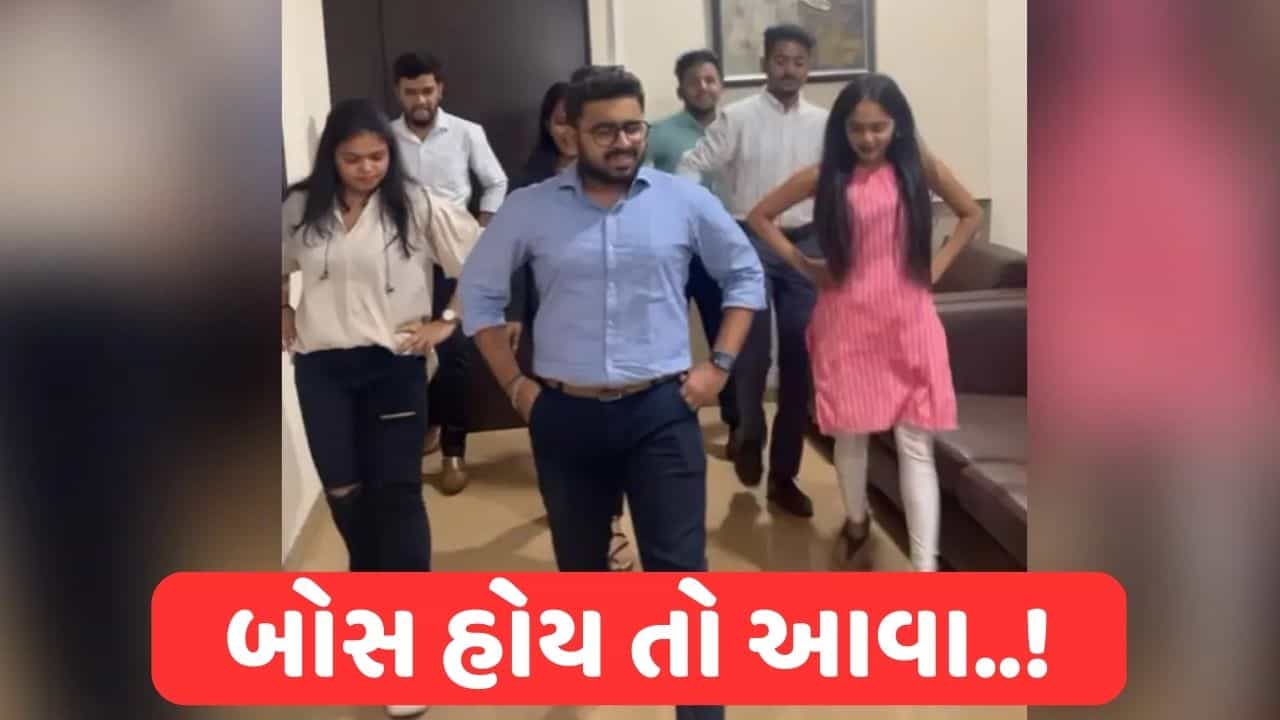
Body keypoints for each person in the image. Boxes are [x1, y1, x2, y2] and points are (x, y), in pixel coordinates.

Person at [460, 67, 764, 720]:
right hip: (564, 416)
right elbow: (477, 297)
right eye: (605, 131)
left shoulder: (682, 201)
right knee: (580, 568)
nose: (623, 142)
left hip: (662, 412)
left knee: (681, 578)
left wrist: (718, 367)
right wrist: (514, 386)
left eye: (633, 127)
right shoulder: (531, 207)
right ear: (571, 134)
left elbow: (744, 275)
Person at [282, 97, 479, 718]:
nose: (367, 168)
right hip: (321, 369)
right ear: (331, 158)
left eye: (377, 156)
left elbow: (483, 263)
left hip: (392, 366)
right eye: (353, 159)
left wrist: (447, 321)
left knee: (396, 496)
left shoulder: (415, 204)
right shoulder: (298, 207)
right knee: (344, 491)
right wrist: (282, 306)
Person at [745, 73, 983, 571]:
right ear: (842, 128)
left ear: (897, 125)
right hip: (846, 320)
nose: (868, 138)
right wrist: (802, 264)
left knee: (915, 442)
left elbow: (969, 214)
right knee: (851, 432)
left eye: (879, 127)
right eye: (857, 128)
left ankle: (924, 569)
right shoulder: (825, 174)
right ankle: (857, 523)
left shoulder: (918, 168)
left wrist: (936, 268)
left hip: (908, 319)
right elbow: (760, 216)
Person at [676, 25, 828, 518]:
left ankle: (784, 477)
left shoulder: (825, 124)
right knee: (751, 353)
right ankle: (748, 433)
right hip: (750, 242)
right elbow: (690, 165)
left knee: (801, 360)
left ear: (808, 68)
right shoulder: (737, 117)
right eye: (781, 60)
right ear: (765, 64)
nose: (789, 70)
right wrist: (707, 219)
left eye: (798, 61)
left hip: (806, 247)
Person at [389, 51, 514, 494]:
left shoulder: (466, 132)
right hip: (402, 261)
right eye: (411, 92)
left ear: (440, 89)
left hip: (454, 258)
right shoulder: (385, 137)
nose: (420, 99)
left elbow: (496, 181)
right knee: (407, 349)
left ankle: (454, 450)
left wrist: (482, 227)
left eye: (427, 90)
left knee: (456, 353)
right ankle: (425, 426)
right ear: (399, 93)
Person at [645, 49, 741, 455]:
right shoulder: (659, 134)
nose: (703, 88)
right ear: (680, 89)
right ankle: (671, 424)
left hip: (724, 252)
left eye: (710, 80)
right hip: (676, 253)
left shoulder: (738, 127)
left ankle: (739, 426)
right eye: (694, 81)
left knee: (728, 338)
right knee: (667, 339)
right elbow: (644, 190)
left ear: (721, 85)